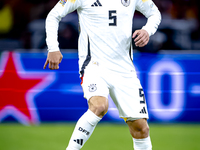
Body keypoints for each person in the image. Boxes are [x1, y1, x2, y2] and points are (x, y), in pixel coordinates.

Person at [43, 0, 161, 149]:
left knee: (141, 128)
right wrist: (53, 47)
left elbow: (154, 13)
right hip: (94, 65)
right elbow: (53, 15)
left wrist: (147, 30)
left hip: (124, 69)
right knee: (99, 106)